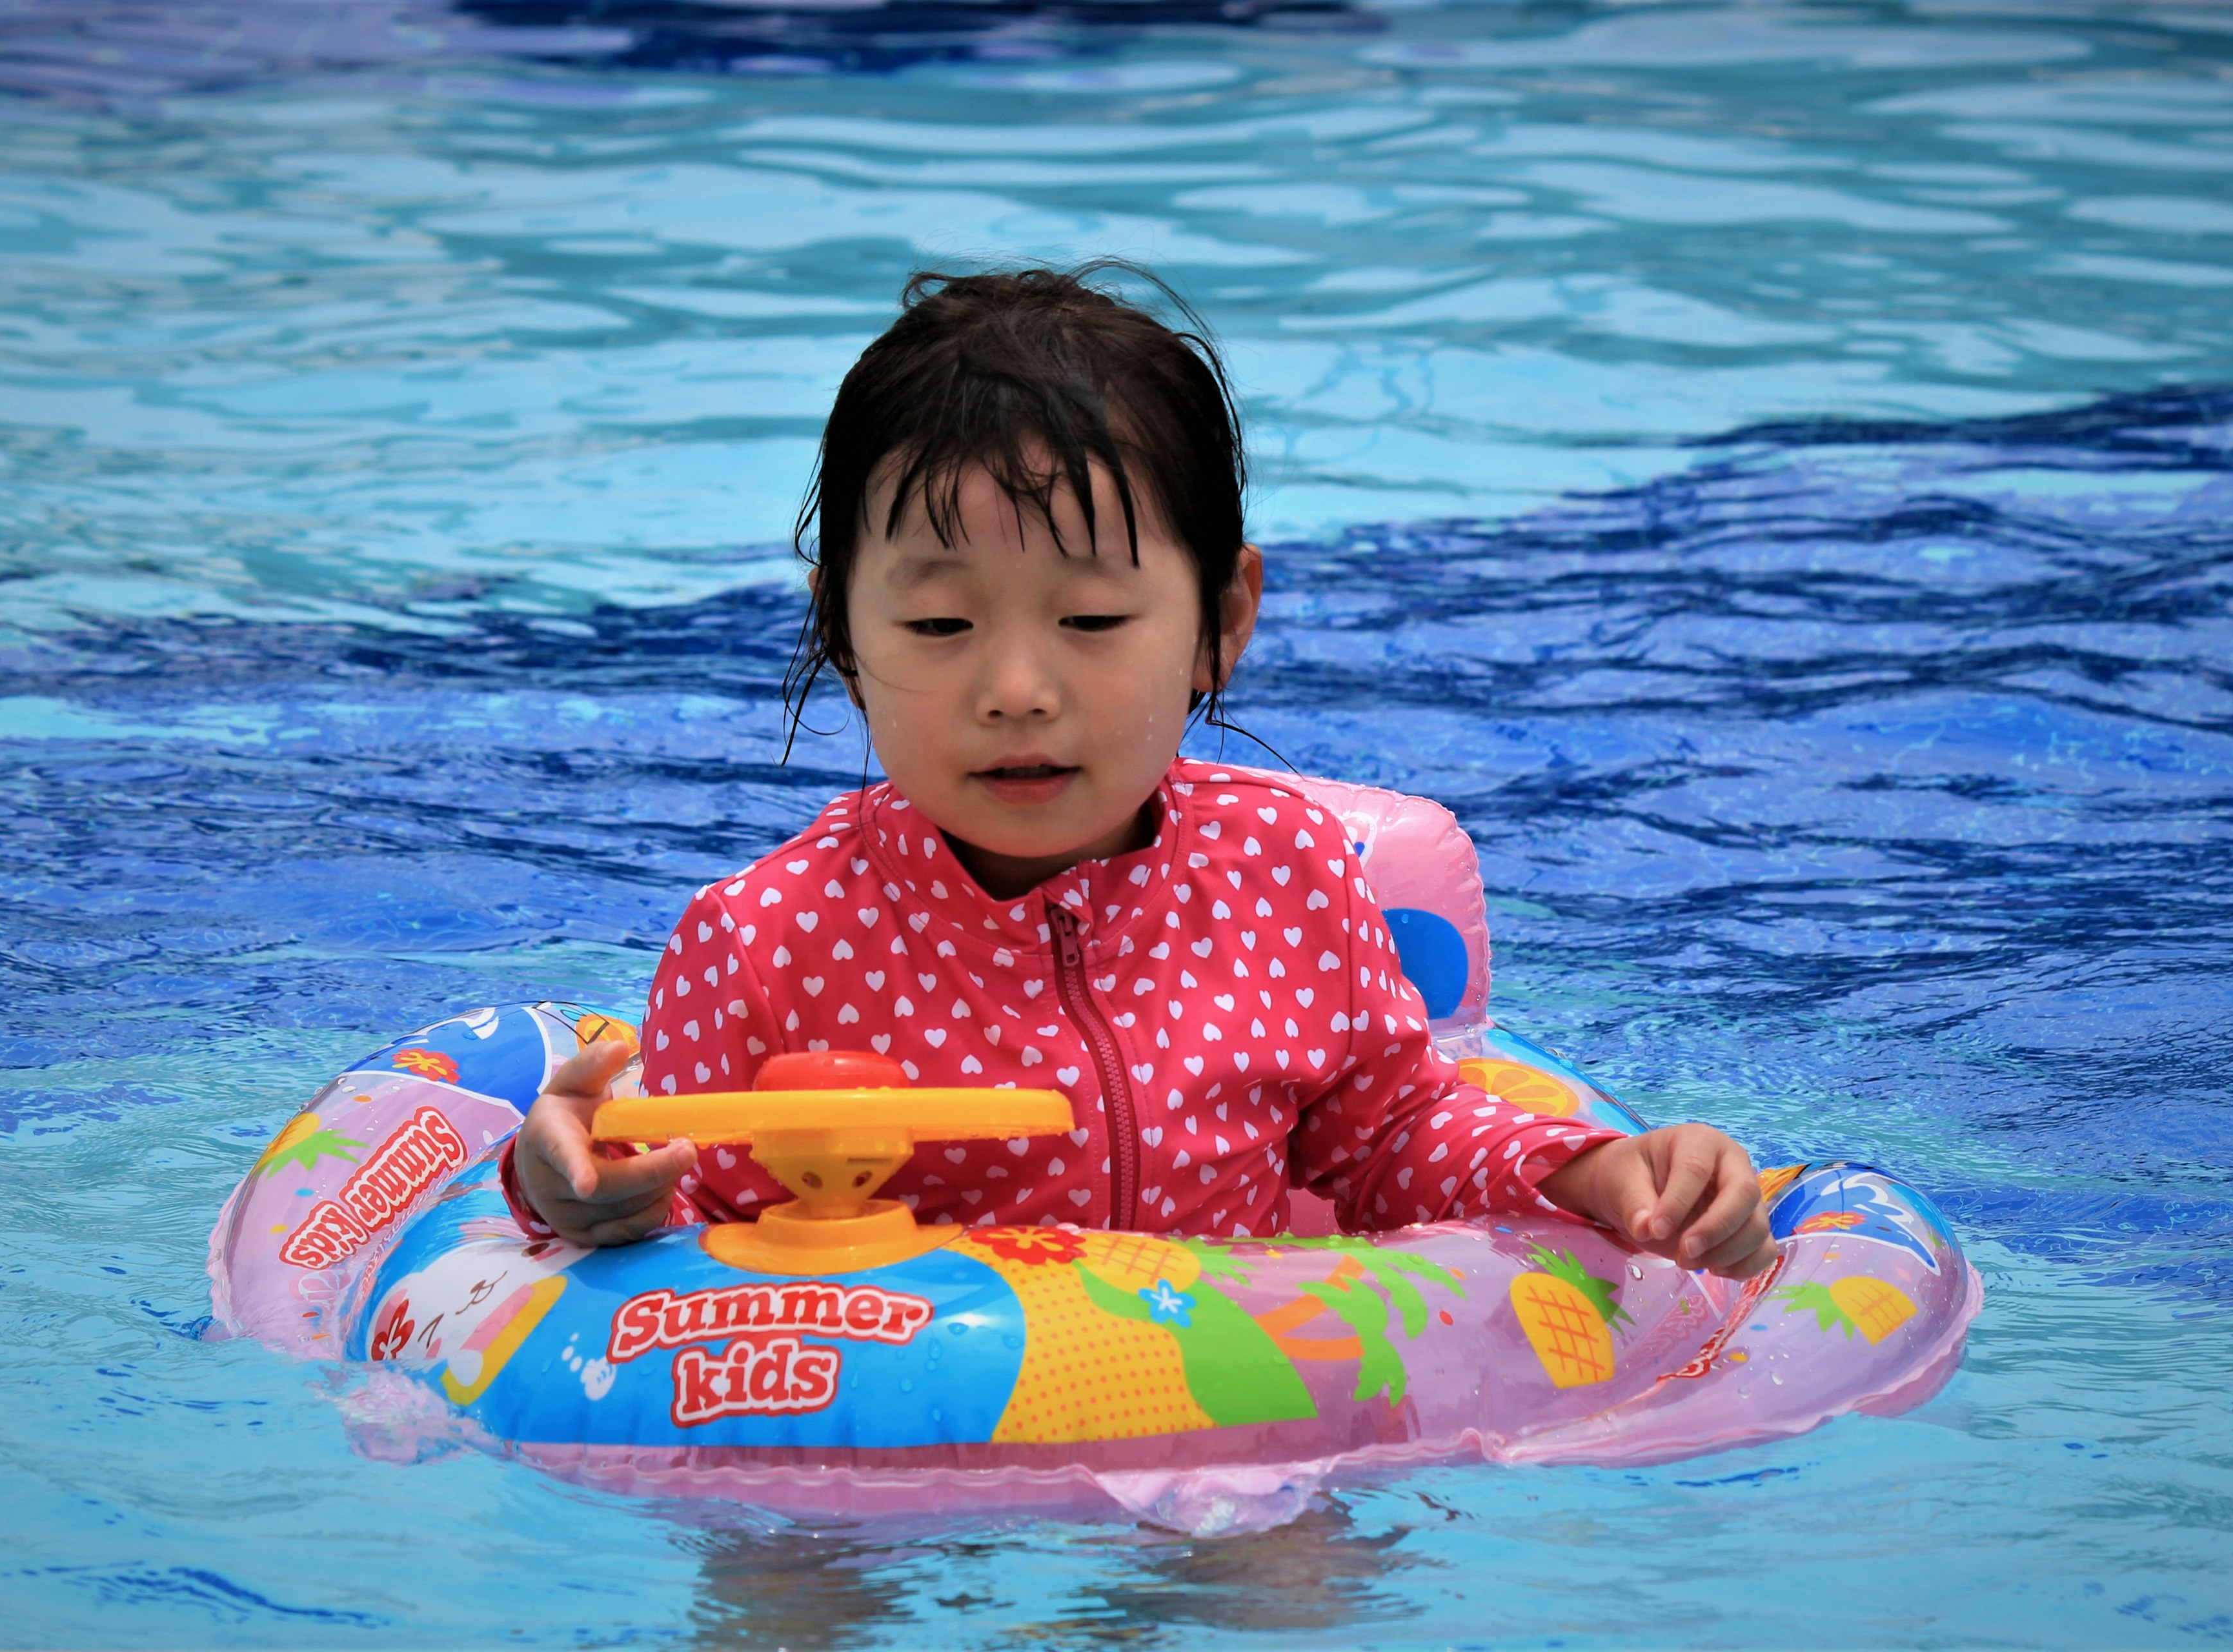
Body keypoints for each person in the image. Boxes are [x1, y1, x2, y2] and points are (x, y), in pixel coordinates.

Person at [505, 266, 1777, 1281]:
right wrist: (574, 1186)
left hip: (1215, 1411)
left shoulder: (1278, 874)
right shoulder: (771, 939)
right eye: (941, 627)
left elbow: (1390, 1135)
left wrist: (1597, 1172)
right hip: (894, 1444)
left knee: (1290, 1586)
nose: (1016, 686)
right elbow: (664, 1203)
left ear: (1224, 617)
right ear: (845, 630)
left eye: (1094, 621)